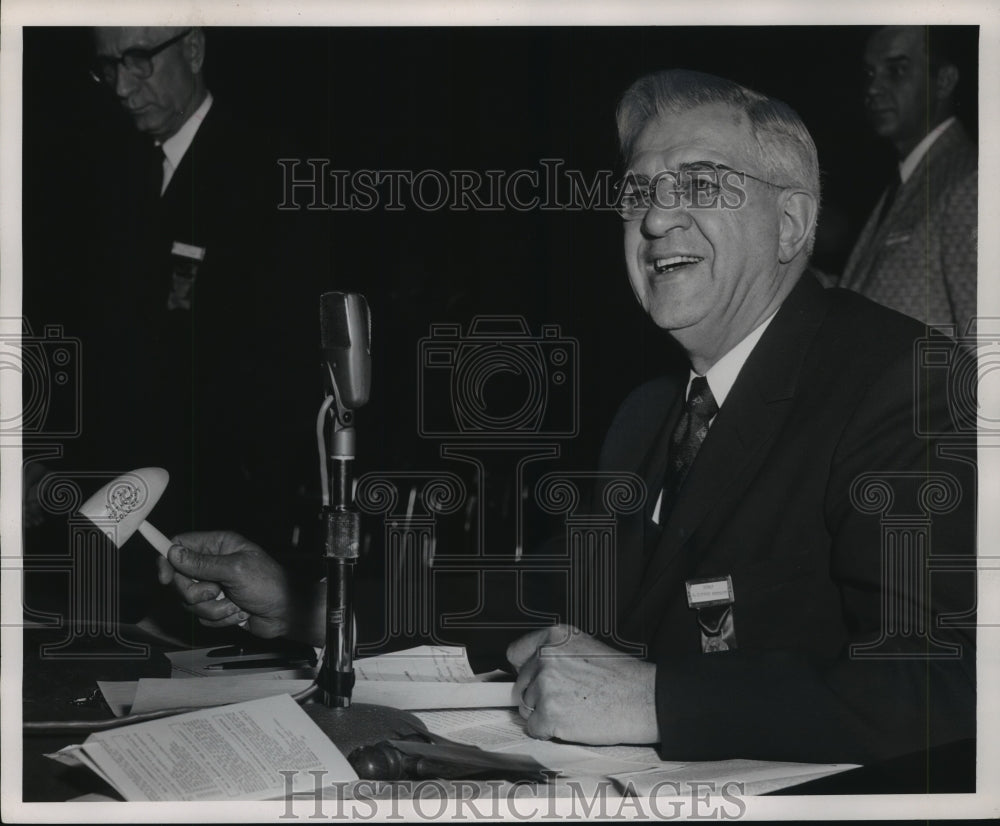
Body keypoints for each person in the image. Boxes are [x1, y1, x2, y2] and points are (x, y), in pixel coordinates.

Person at [157, 69, 975, 766]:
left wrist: (658, 702)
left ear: (792, 222)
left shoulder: (900, 381)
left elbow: (946, 680)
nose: (655, 219)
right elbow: (529, 593)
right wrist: (305, 603)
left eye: (696, 184)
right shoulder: (651, 415)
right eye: (638, 192)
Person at [23, 28, 322, 622]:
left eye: (137, 61)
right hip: (112, 529)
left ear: (193, 50)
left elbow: (259, 387)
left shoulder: (269, 173)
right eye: (106, 68)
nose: (122, 88)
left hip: (220, 543)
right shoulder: (102, 173)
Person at [840, 25, 977, 332]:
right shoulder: (908, 180)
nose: (873, 88)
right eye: (870, 74)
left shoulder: (970, 182)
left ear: (944, 81)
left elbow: (987, 343)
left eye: (897, 70)